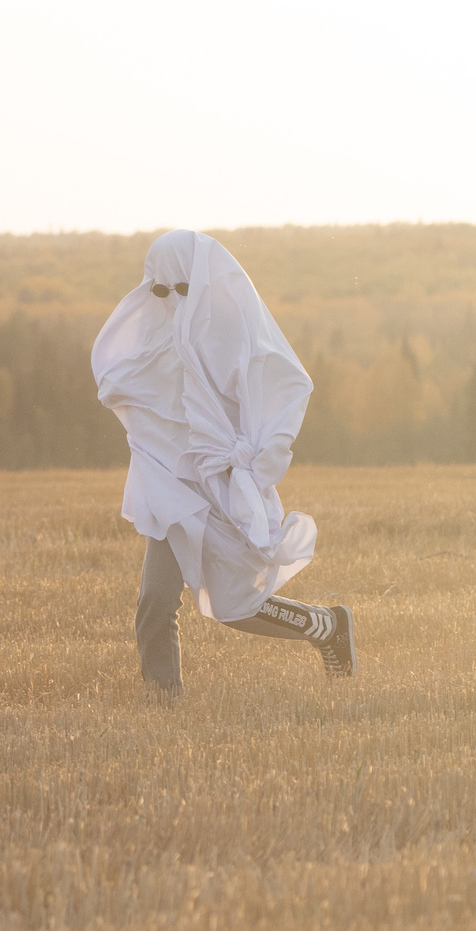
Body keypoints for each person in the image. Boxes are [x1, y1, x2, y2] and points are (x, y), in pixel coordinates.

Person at [91, 229, 354, 698]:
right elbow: (126, 387)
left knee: (236, 605)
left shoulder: (233, 329)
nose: (172, 300)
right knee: (155, 600)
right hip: (168, 484)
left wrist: (260, 462)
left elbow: (287, 385)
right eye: (159, 289)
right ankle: (163, 707)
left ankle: (326, 626)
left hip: (221, 485)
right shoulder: (149, 334)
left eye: (184, 288)